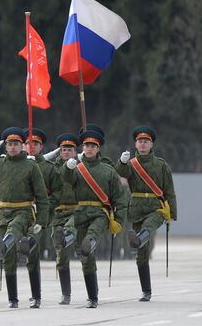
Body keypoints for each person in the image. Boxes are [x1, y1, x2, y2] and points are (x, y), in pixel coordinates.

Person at [0, 127, 50, 309]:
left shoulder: (31, 166)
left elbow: (42, 197)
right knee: (8, 258)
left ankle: (36, 296)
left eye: (16, 144)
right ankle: (13, 299)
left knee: (27, 250)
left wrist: (42, 222)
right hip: (2, 212)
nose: (12, 147)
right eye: (9, 144)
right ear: (5, 146)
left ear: (22, 146)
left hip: (24, 211)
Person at [57, 130, 128, 308]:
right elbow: (65, 178)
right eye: (87, 145)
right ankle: (65, 239)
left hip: (99, 212)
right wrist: (68, 167)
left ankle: (93, 297)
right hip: (80, 209)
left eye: (93, 146)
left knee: (89, 244)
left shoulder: (108, 171)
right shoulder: (77, 168)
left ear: (98, 149)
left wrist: (118, 220)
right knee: (71, 229)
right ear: (83, 148)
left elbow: (119, 198)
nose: (89, 148)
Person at [115, 125, 177, 302]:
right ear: (135, 144)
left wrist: (171, 213)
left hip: (156, 207)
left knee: (149, 226)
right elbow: (120, 172)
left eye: (146, 141)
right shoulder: (132, 165)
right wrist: (122, 161)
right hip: (137, 207)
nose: (142, 144)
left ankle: (141, 237)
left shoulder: (161, 165)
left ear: (151, 144)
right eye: (140, 141)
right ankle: (146, 290)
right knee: (141, 255)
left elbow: (170, 190)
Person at [18, 128, 62, 308]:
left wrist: (45, 210)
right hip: (18, 212)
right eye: (27, 143)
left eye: (34, 144)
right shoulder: (15, 164)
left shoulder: (48, 168)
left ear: (41, 146)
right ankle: (13, 296)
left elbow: (57, 193)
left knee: (32, 253)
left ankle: (36, 296)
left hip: (37, 216)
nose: (31, 147)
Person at [50, 133, 80, 305]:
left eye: (69, 149)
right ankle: (66, 293)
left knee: (85, 253)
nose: (66, 152)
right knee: (61, 255)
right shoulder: (53, 168)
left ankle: (93, 292)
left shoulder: (82, 167)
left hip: (78, 210)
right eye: (63, 149)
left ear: (76, 151)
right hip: (58, 212)